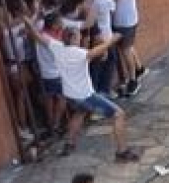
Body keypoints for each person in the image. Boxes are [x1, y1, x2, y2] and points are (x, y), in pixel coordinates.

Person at [51, 27, 138, 162]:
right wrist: (112, 40)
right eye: (78, 35)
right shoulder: (79, 53)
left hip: (71, 95)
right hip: (85, 95)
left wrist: (28, 22)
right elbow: (96, 51)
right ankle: (122, 151)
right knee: (119, 114)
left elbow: (39, 37)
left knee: (80, 112)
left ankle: (69, 144)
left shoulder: (57, 48)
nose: (80, 37)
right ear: (73, 38)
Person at [103, 0, 145, 99]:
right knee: (126, 47)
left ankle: (133, 80)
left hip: (127, 20)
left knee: (126, 50)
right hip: (118, 20)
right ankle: (139, 69)